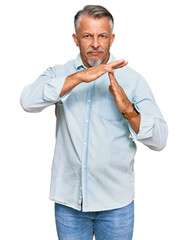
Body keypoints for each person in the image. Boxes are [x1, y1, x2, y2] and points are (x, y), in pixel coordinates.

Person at [20, 5, 168, 240]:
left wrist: (129, 110)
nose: (96, 44)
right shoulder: (60, 73)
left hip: (116, 205)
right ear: (75, 39)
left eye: (102, 36)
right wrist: (78, 77)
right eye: (88, 36)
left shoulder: (132, 80)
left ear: (112, 38)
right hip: (70, 204)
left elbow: (160, 139)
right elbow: (27, 101)